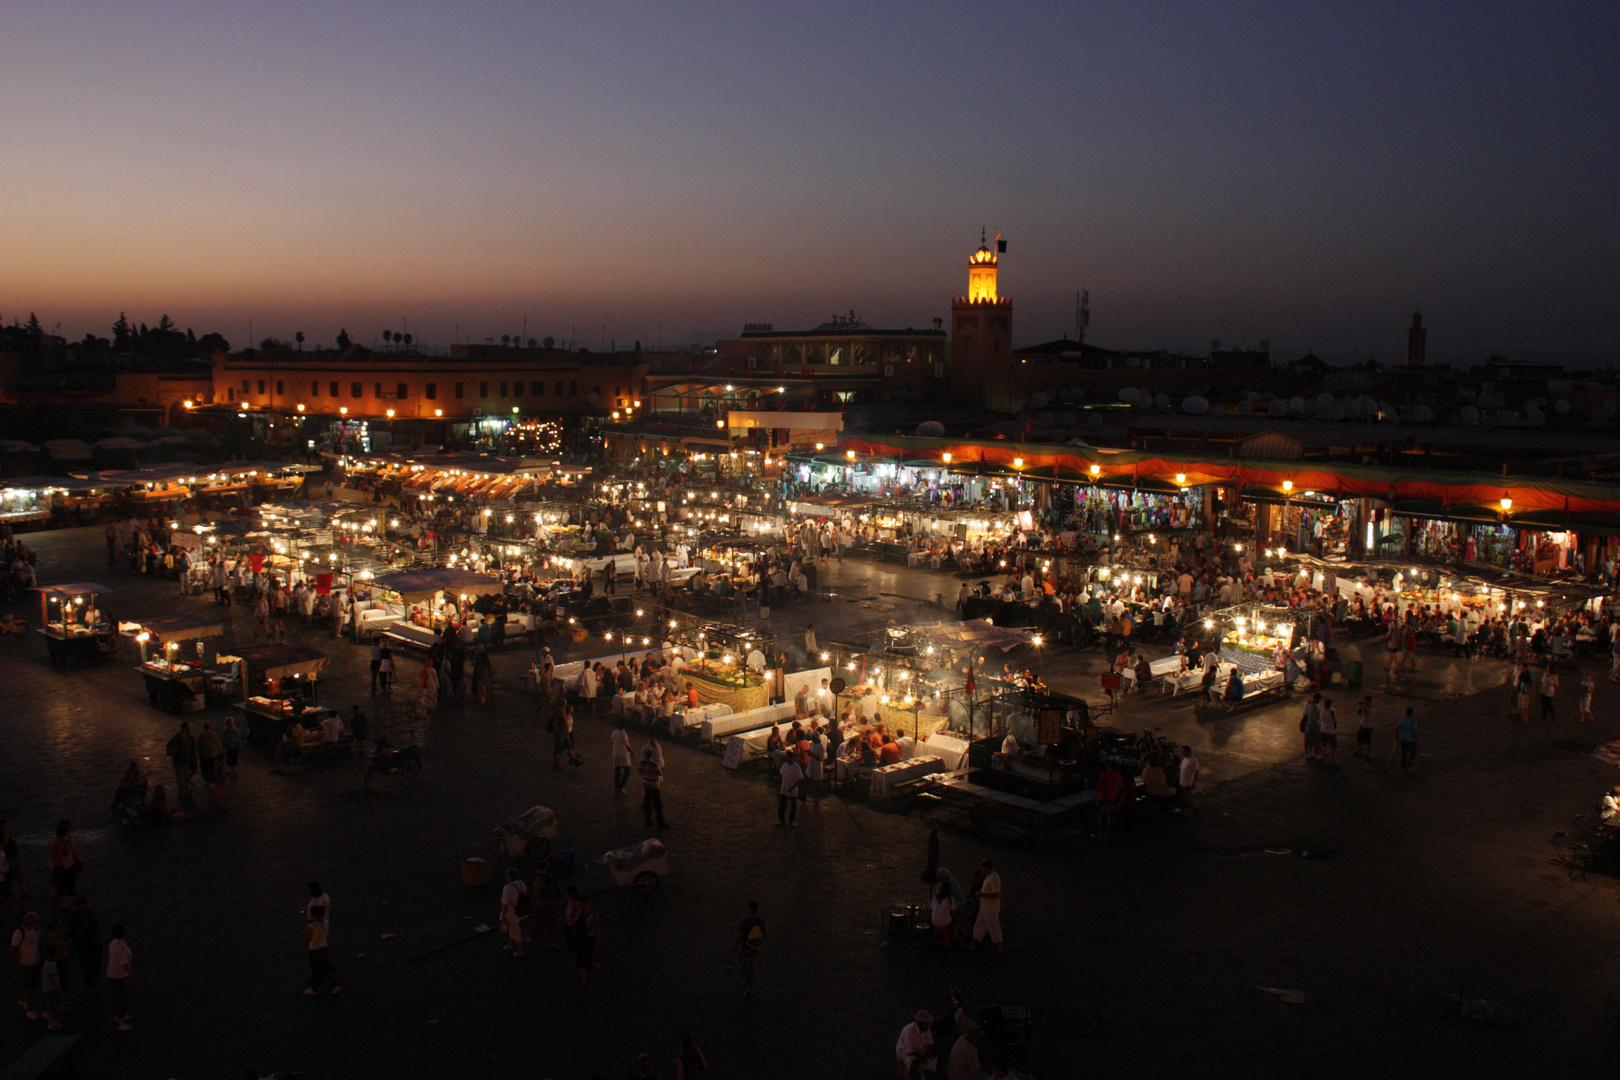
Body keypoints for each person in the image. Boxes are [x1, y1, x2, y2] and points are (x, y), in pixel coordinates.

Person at [563, 884, 606, 989]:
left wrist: (599, 940)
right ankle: (585, 980)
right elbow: (576, 923)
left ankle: (601, 972)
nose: (577, 906)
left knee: (586, 963)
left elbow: (597, 928)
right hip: (582, 939)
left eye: (579, 904)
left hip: (587, 940)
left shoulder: (593, 914)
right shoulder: (581, 912)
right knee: (583, 962)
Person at [11, 909, 42, 1019]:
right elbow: (13, 950)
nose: (37, 923)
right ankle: (29, 1008)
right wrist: (18, 966)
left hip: (35, 962)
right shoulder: (19, 933)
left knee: (34, 983)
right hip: (25, 964)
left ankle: (25, 1000)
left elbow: (39, 943)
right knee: (27, 986)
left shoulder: (36, 929)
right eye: (34, 921)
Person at [968, 859, 1002, 953]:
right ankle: (973, 943)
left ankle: (999, 946)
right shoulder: (988, 876)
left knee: (993, 927)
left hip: (991, 908)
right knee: (979, 925)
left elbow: (996, 895)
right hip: (985, 907)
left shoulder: (994, 878)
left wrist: (982, 894)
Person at [303, 901, 337, 995]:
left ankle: (314, 988)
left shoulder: (312, 925)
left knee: (315, 969)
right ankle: (334, 985)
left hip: (314, 949)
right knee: (326, 967)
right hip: (323, 947)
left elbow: (307, 938)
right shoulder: (325, 923)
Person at [735, 899, 765, 1000]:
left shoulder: (745, 922)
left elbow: (741, 936)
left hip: (745, 947)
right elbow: (764, 935)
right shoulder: (760, 921)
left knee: (743, 968)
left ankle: (745, 988)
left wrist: (735, 946)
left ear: (749, 909)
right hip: (754, 948)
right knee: (751, 968)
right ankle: (750, 986)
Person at [47, 821, 83, 907]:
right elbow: (74, 854)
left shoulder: (54, 843)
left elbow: (51, 854)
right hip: (68, 865)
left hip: (57, 866)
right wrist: (81, 862)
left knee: (61, 885)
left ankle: (63, 904)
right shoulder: (67, 842)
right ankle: (72, 902)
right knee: (71, 884)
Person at [639, 733, 670, 829]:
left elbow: (660, 758)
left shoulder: (657, 746)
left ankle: (648, 820)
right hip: (653, 785)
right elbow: (659, 772)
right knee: (657, 804)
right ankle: (660, 823)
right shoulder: (653, 764)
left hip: (646, 782)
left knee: (649, 803)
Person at [896, 1010, 938, 1079]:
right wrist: (922, 1058)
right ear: (919, 1023)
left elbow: (930, 1043)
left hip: (919, 1049)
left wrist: (933, 1052)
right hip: (905, 1052)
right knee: (914, 1062)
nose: (927, 1026)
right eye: (925, 1024)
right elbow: (909, 1051)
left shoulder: (926, 1030)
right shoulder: (909, 1031)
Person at [106, 923, 132, 1030]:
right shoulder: (121, 946)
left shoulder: (113, 944)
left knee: (119, 996)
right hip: (119, 975)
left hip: (113, 973)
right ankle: (120, 1021)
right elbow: (124, 963)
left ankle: (120, 1016)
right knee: (122, 998)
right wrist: (132, 974)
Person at [499, 868, 528, 957]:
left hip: (511, 912)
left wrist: (503, 915)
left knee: (515, 930)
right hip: (521, 909)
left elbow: (505, 903)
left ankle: (520, 949)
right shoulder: (521, 884)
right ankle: (510, 944)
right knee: (513, 927)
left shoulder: (507, 888)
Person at [1094, 763, 1125, 838]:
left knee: (1098, 814)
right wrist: (1115, 793)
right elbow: (1121, 787)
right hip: (1111, 797)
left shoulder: (1104, 774)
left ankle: (1099, 832)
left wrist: (1098, 793)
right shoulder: (1117, 775)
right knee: (1107, 814)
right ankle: (1106, 833)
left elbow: (1098, 784)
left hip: (1102, 796)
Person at [776, 753, 803, 827]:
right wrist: (783, 784)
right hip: (784, 788)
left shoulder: (796, 767)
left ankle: (792, 820)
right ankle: (781, 820)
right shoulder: (784, 765)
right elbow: (781, 774)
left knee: (793, 806)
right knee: (782, 805)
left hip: (792, 789)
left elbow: (800, 779)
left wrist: (792, 787)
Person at [930, 878, 956, 947]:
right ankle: (953, 937)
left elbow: (932, 908)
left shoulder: (935, 898)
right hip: (945, 922)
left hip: (934, 920)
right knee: (955, 920)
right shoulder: (950, 899)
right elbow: (953, 911)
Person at [611, 718, 633, 795]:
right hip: (622, 754)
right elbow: (627, 745)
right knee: (627, 771)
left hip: (616, 753)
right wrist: (632, 752)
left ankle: (616, 787)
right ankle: (620, 786)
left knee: (617, 771)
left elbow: (612, 742)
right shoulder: (623, 734)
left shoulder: (614, 732)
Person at [1396, 707, 1418, 771]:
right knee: (1413, 753)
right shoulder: (1413, 722)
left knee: (1404, 753)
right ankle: (1409, 764)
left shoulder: (1402, 720)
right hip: (1410, 740)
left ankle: (1403, 765)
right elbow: (1415, 731)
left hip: (1403, 739)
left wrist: (1397, 736)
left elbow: (1397, 727)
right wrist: (1416, 739)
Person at [1318, 698, 1339, 765]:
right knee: (1334, 747)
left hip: (1323, 730)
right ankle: (1333, 760)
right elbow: (1334, 717)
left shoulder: (1321, 712)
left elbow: (1320, 721)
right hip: (1330, 731)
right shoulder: (1331, 712)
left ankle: (1325, 759)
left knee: (1323, 745)